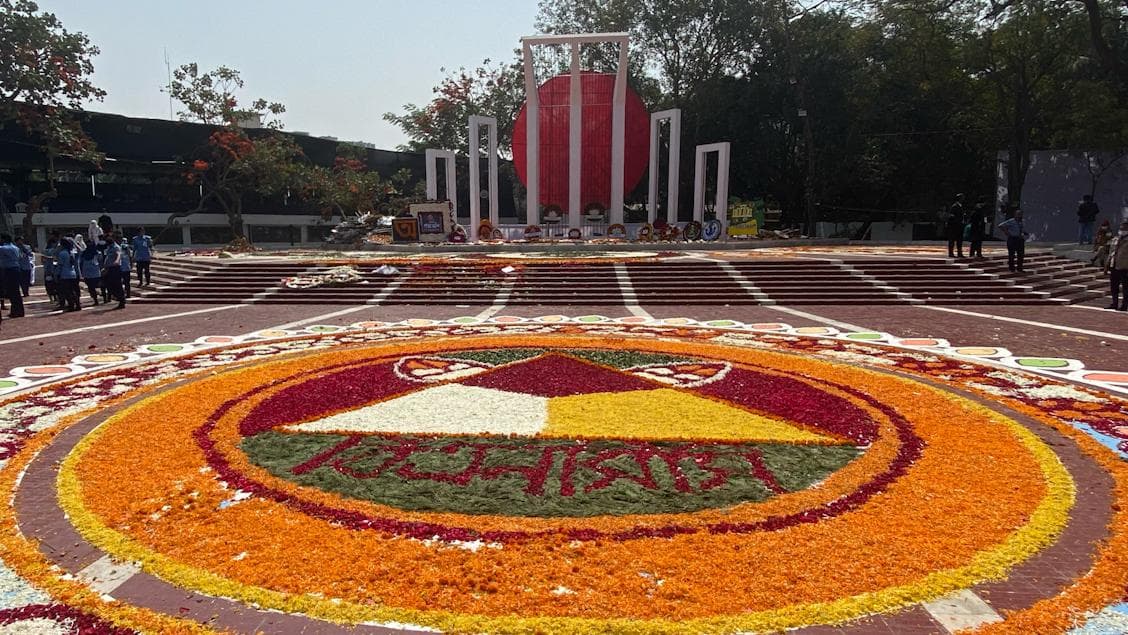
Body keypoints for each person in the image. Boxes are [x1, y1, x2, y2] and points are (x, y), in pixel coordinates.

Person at [0, 234, 24, 318]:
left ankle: (16, 311)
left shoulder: (3, 248)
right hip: (16, 269)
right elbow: (20, 257)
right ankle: (19, 311)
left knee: (11, 292)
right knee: (16, 291)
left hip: (8, 270)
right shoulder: (16, 248)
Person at [1106, 220, 1128, 311]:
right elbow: (1111, 253)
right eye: (1120, 228)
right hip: (1114, 265)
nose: (1121, 230)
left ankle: (1124, 305)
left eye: (1124, 228)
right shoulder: (1116, 239)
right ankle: (1114, 303)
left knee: (1126, 287)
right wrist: (1107, 265)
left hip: (1125, 267)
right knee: (1114, 286)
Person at [55, 237, 81, 311]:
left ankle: (71, 306)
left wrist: (57, 274)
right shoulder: (72, 252)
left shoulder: (62, 253)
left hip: (65, 275)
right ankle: (77, 304)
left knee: (67, 292)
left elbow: (60, 265)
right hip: (73, 274)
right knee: (73, 291)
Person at [101, 234, 126, 309]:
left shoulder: (116, 247)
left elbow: (118, 254)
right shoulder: (109, 248)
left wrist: (117, 261)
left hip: (115, 268)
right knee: (108, 284)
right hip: (109, 268)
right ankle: (117, 296)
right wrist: (105, 267)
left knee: (117, 285)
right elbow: (107, 258)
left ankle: (122, 300)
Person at [946, 193, 966, 258]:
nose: (963, 199)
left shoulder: (961, 206)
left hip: (960, 226)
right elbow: (951, 217)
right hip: (954, 226)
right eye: (962, 198)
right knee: (952, 240)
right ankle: (951, 253)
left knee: (959, 240)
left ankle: (959, 253)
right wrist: (957, 222)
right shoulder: (954, 206)